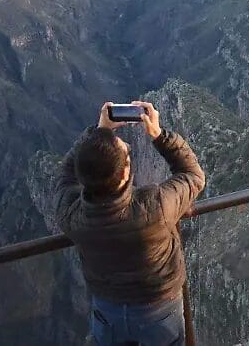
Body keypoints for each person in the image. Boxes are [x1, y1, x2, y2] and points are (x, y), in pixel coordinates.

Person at [53, 101, 206, 346]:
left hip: (107, 310)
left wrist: (99, 132)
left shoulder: (70, 215)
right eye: (126, 152)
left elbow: (66, 174)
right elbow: (193, 175)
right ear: (125, 173)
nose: (127, 145)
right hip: (158, 311)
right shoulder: (155, 206)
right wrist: (159, 135)